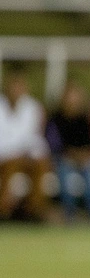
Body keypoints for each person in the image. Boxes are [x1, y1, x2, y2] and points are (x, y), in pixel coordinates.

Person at [0, 64, 53, 222]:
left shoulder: (33, 108)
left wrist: (30, 152)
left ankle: (34, 211)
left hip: (26, 155)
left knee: (41, 165)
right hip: (5, 156)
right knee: (11, 165)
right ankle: (3, 211)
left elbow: (35, 137)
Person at [46, 80, 90, 221]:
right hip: (64, 158)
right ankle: (69, 213)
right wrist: (72, 155)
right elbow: (54, 145)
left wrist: (86, 155)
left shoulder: (85, 119)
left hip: (84, 160)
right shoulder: (55, 119)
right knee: (64, 172)